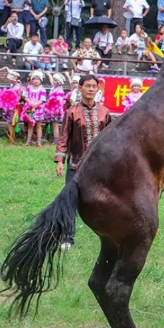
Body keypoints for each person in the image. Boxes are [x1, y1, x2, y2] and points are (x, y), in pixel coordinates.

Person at [55, 74, 112, 247]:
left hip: (99, 166)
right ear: (80, 89)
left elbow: (110, 139)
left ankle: (109, 236)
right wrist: (59, 160)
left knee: (105, 200)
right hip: (76, 165)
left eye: (94, 86)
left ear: (97, 89)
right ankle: (67, 237)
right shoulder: (72, 112)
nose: (91, 89)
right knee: (70, 200)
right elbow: (64, 138)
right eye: (87, 86)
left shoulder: (104, 112)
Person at [21, 70, 47, 146]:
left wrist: (34, 106)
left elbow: (42, 100)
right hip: (29, 108)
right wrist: (31, 104)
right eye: (34, 79)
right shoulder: (29, 88)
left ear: (41, 80)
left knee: (38, 125)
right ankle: (28, 141)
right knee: (30, 125)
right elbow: (25, 96)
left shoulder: (42, 89)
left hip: (38, 109)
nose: (36, 81)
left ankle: (39, 142)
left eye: (38, 79)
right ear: (31, 80)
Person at [44, 73, 67, 143]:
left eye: (55, 80)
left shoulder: (60, 90)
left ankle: (56, 140)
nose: (53, 82)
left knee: (55, 124)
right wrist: (49, 75)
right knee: (52, 124)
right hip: (50, 109)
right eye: (54, 80)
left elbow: (59, 101)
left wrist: (55, 109)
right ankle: (51, 138)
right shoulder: (54, 88)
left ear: (59, 82)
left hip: (55, 110)